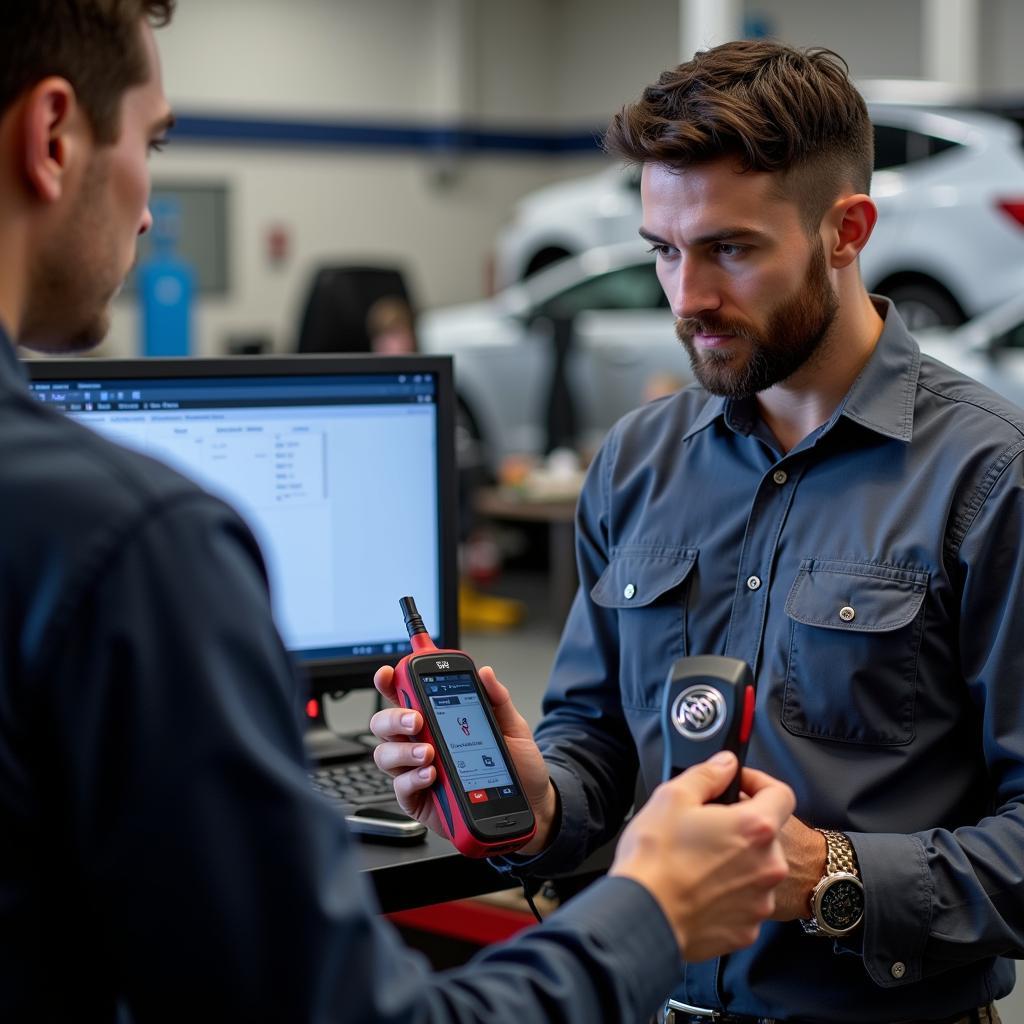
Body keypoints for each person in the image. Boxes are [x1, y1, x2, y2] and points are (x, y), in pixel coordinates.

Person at [0, 5, 798, 1020]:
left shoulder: (985, 475)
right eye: (153, 143)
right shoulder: (130, 544)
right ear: (54, 136)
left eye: (727, 248)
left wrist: (540, 797)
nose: (151, 207)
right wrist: (651, 909)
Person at [374, 40, 1024, 1024]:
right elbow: (594, 742)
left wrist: (828, 873)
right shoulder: (638, 461)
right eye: (663, 250)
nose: (685, 300)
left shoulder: (986, 476)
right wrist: (534, 792)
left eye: (730, 249)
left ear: (845, 230)